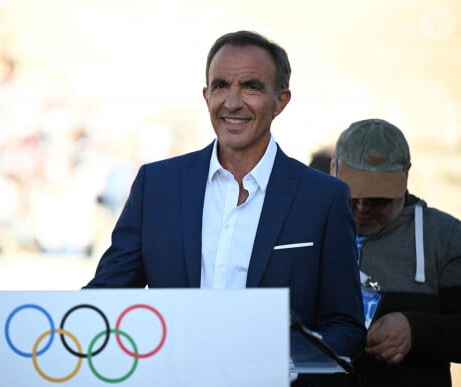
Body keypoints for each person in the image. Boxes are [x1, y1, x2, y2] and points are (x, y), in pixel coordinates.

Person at [84, 30, 366, 365]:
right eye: (220, 85)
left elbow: (346, 327)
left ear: (280, 101)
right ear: (206, 95)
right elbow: (106, 298)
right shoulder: (156, 185)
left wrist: (281, 363)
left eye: (251, 86)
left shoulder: (324, 197)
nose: (232, 102)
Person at [331, 118, 461, 386]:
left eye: (379, 198)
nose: (362, 207)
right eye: (352, 195)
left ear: (406, 174)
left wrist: (415, 330)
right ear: (334, 168)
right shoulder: (304, 226)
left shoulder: (445, 236)